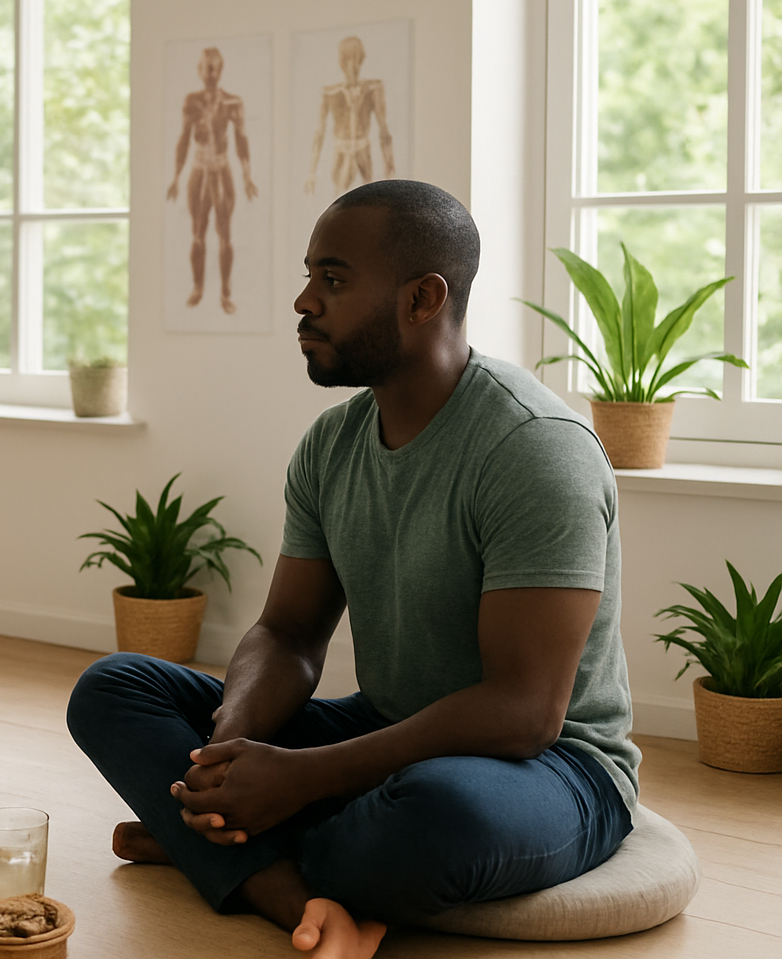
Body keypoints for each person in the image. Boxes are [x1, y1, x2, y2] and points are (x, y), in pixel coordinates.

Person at [68, 180, 638, 959]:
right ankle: (287, 884)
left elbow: (523, 712)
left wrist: (299, 780)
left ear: (422, 299)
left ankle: (228, 854)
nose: (303, 301)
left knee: (436, 814)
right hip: (390, 726)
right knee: (114, 688)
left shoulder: (535, 450)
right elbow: (288, 631)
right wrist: (225, 757)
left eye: (332, 280)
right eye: (309, 277)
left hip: (549, 767)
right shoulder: (332, 444)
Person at [167, 46, 258, 315]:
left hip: (221, 169)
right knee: (197, 232)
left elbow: (241, 139)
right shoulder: (191, 101)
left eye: (215, 67)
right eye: (206, 67)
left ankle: (226, 291)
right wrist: (176, 176)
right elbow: (183, 138)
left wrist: (246, 175)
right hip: (198, 169)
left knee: (225, 234)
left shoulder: (232, 102)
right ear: (199, 70)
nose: (210, 73)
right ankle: (198, 287)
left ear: (221, 70)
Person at [303, 36, 396, 198]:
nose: (352, 66)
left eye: (356, 59)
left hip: (362, 149)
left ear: (361, 59)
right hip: (342, 150)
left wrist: (390, 165)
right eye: (347, 60)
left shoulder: (373, 88)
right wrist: (311, 173)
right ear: (341, 62)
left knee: (369, 201)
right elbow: (319, 133)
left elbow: (384, 130)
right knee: (338, 202)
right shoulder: (330, 93)